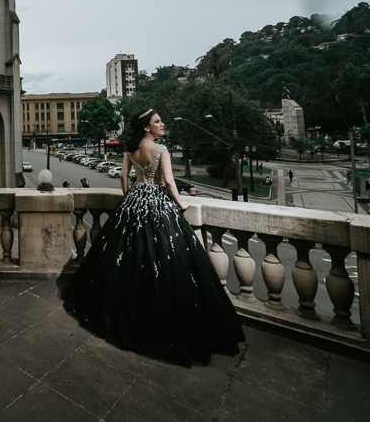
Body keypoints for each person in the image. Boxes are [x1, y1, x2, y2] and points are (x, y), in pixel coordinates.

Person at [63, 108, 244, 366]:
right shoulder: (161, 151)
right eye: (158, 121)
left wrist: (129, 197)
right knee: (165, 258)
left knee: (127, 256)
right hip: (159, 205)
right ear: (147, 127)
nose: (163, 124)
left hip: (134, 203)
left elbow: (124, 177)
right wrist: (180, 204)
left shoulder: (131, 150)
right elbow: (170, 182)